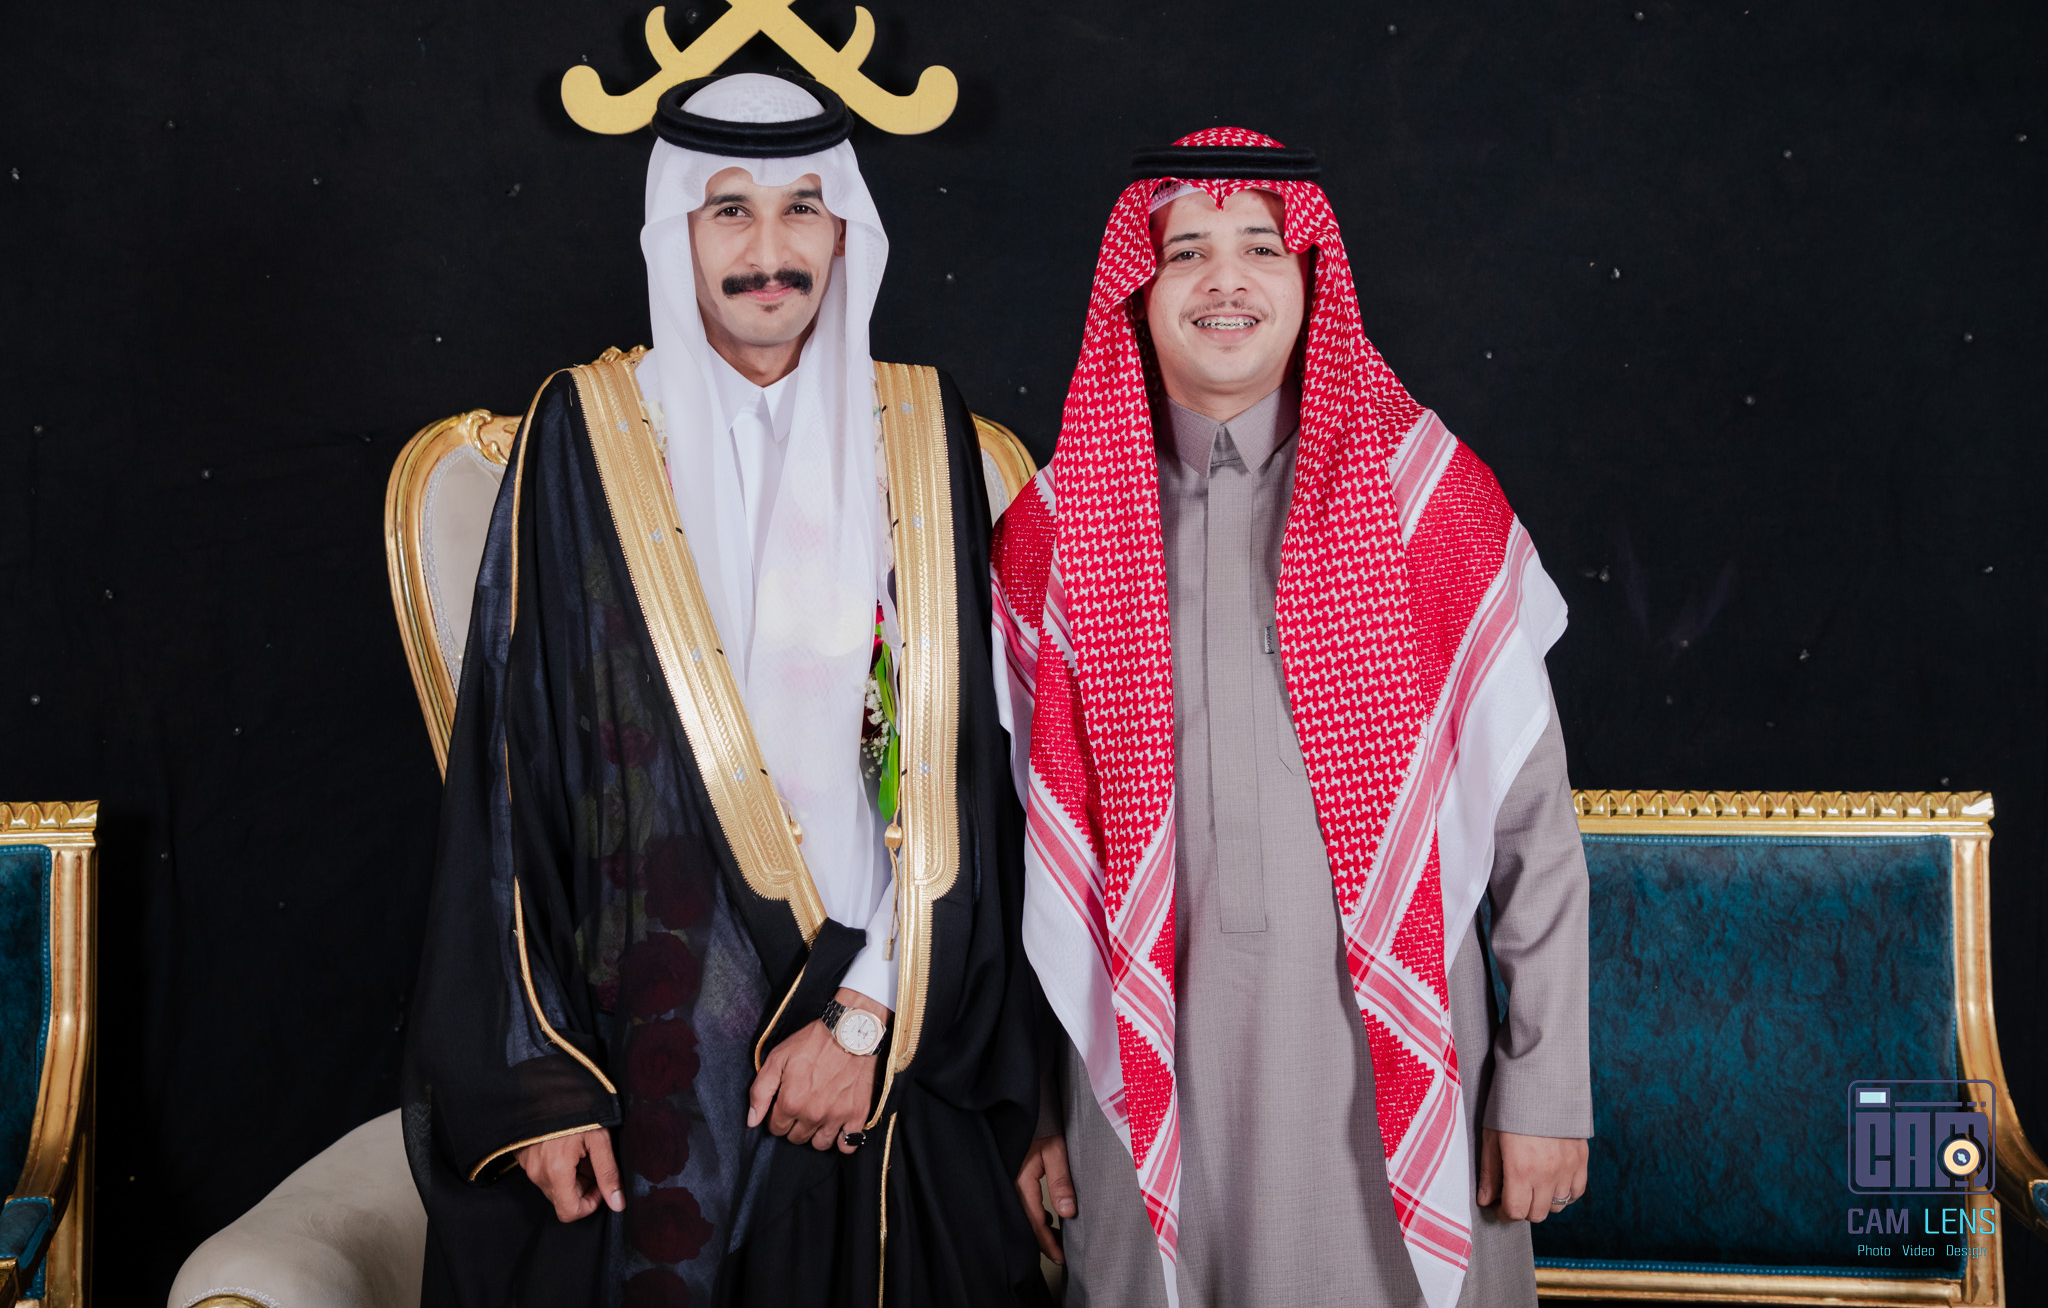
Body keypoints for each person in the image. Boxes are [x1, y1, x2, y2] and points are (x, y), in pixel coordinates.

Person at [402, 72, 1049, 1308]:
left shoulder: (920, 431)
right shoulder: (584, 434)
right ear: (676, 233)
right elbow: (508, 772)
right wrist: (542, 1079)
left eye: (802, 208)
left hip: (883, 1030)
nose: (768, 251)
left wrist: (866, 1018)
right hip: (638, 1043)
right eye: (730, 212)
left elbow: (964, 772)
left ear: (844, 230)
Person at [992, 128, 1592, 1308]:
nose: (1224, 280)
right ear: (1136, 290)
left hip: (1389, 1066)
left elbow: (1534, 832)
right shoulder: (1052, 535)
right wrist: (1031, 1110)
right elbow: (1011, 850)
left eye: (1261, 248)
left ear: (1312, 281)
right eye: (1185, 252)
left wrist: (1543, 1086)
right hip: (1134, 1078)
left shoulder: (1422, 501)